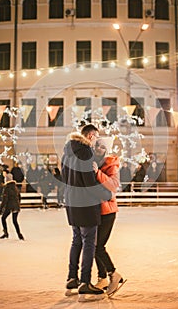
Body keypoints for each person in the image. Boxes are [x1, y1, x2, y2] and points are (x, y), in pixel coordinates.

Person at [61, 124, 113, 302]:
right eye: (96, 136)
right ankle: (85, 283)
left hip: (71, 203)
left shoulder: (67, 152)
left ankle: (72, 280)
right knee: (89, 242)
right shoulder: (85, 152)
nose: (97, 140)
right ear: (90, 135)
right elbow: (89, 183)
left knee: (76, 240)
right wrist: (106, 194)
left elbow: (64, 179)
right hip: (86, 204)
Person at [92, 137, 124, 296]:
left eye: (102, 147)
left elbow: (113, 185)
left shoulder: (112, 165)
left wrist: (97, 173)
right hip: (96, 210)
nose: (99, 149)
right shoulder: (92, 162)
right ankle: (103, 277)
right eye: (97, 146)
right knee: (94, 246)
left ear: (106, 150)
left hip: (108, 211)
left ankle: (113, 274)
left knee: (98, 247)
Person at [0, 173, 24, 240]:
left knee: (3, 218)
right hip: (16, 206)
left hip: (9, 206)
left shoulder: (7, 188)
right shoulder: (15, 187)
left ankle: (6, 233)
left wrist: (1, 209)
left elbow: (5, 200)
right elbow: (19, 197)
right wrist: (18, 204)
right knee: (14, 221)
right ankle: (19, 235)